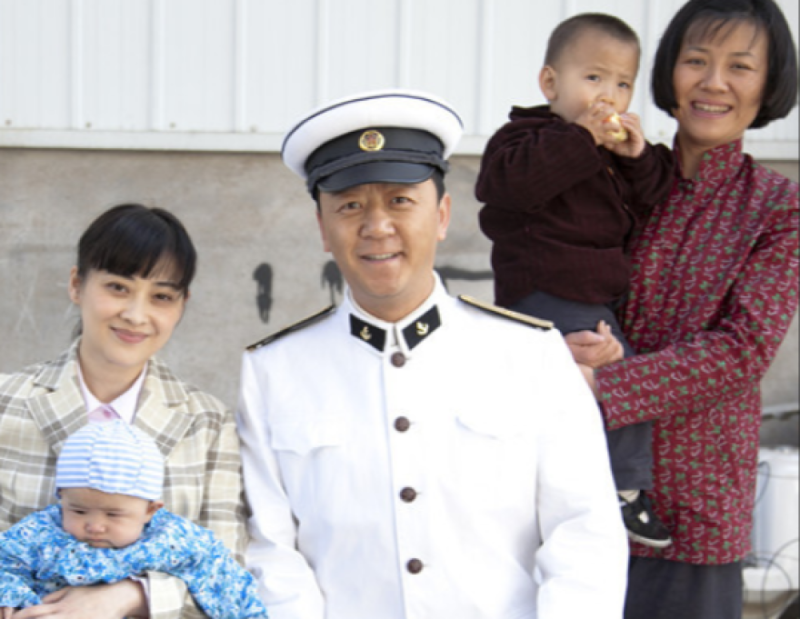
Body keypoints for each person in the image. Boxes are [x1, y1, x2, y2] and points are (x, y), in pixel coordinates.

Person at [236, 89, 628, 619]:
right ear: (323, 229)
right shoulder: (274, 371)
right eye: (350, 206)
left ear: (442, 215)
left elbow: (584, 532)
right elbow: (269, 547)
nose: (377, 227)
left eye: (400, 201)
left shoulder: (530, 354)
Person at [563, 1, 799, 617]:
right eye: (696, 61)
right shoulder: (616, 179)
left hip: (692, 508)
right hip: (574, 492)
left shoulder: (778, 208)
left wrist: (604, 384)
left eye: (740, 66)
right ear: (670, 71)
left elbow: (742, 351)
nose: (713, 82)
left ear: (769, 84)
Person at [475, 12, 675, 549]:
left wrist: (636, 157)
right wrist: (581, 137)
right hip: (547, 288)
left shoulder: (611, 154)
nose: (609, 95)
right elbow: (507, 186)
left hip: (592, 297)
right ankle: (625, 492)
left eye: (623, 84)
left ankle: (584, 489)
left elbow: (655, 196)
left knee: (595, 385)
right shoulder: (526, 138)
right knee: (621, 376)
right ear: (550, 83)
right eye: (593, 77)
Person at [0, 203, 248, 618]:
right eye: (118, 287)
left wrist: (131, 596)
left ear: (182, 304)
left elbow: (229, 572)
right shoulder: (7, 402)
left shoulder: (207, 424)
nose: (136, 315)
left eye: (161, 296)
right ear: (77, 284)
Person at [0, 420, 267, 619]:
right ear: (62, 498)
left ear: (150, 510)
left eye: (113, 514)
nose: (95, 526)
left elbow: (225, 581)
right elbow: (5, 562)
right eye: (78, 511)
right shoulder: (40, 532)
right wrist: (12, 597)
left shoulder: (173, 540)